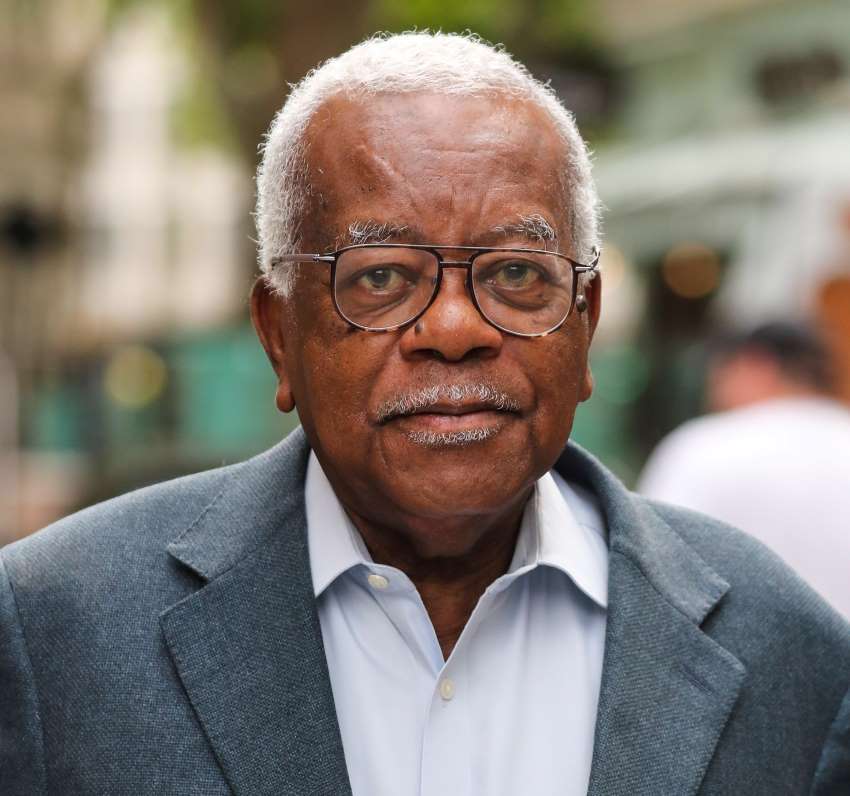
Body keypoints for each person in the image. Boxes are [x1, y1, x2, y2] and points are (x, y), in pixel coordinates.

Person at [1, 33, 848, 796]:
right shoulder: (55, 632)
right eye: (380, 276)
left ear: (585, 325)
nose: (454, 329)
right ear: (279, 335)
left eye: (516, 274)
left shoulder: (784, 648)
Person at [639, 322, 850, 620]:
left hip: (740, 644)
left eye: (720, 374)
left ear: (756, 364)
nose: (713, 390)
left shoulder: (705, 446)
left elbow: (654, 561)